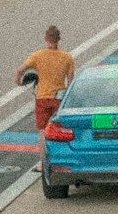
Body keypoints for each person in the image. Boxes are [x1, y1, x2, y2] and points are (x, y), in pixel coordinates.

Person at [15, 25, 75, 170]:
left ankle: (43, 164)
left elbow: (20, 70)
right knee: (59, 130)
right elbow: (71, 80)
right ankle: (60, 160)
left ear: (46, 40)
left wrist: (18, 81)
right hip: (59, 98)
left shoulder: (37, 56)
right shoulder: (67, 58)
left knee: (42, 130)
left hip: (42, 98)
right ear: (58, 40)